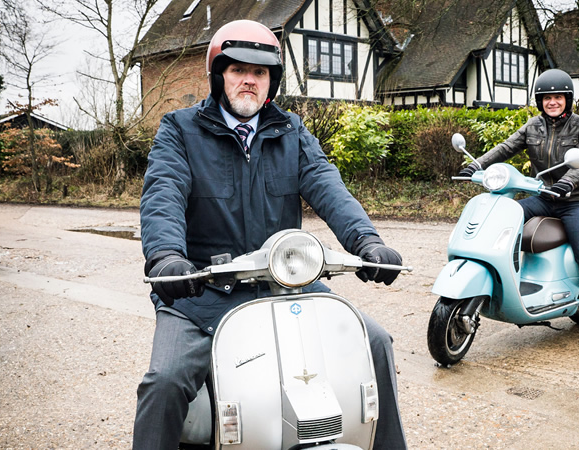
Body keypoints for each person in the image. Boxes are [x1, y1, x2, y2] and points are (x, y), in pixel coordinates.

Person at [134, 19, 407, 449]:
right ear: (218, 75)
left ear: (271, 82)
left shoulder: (291, 131)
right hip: (201, 292)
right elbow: (162, 193)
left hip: (286, 286)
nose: (248, 80)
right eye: (238, 69)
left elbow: (328, 186)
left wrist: (366, 242)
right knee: (164, 381)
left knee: (374, 341)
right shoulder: (179, 130)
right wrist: (167, 256)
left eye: (259, 72)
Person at [458, 68, 579, 355]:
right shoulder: (533, 127)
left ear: (567, 99)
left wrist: (568, 183)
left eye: (558, 97)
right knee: (503, 220)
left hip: (575, 200)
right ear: (539, 101)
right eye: (546, 98)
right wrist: (477, 164)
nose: (552, 102)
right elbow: (506, 148)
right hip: (542, 196)